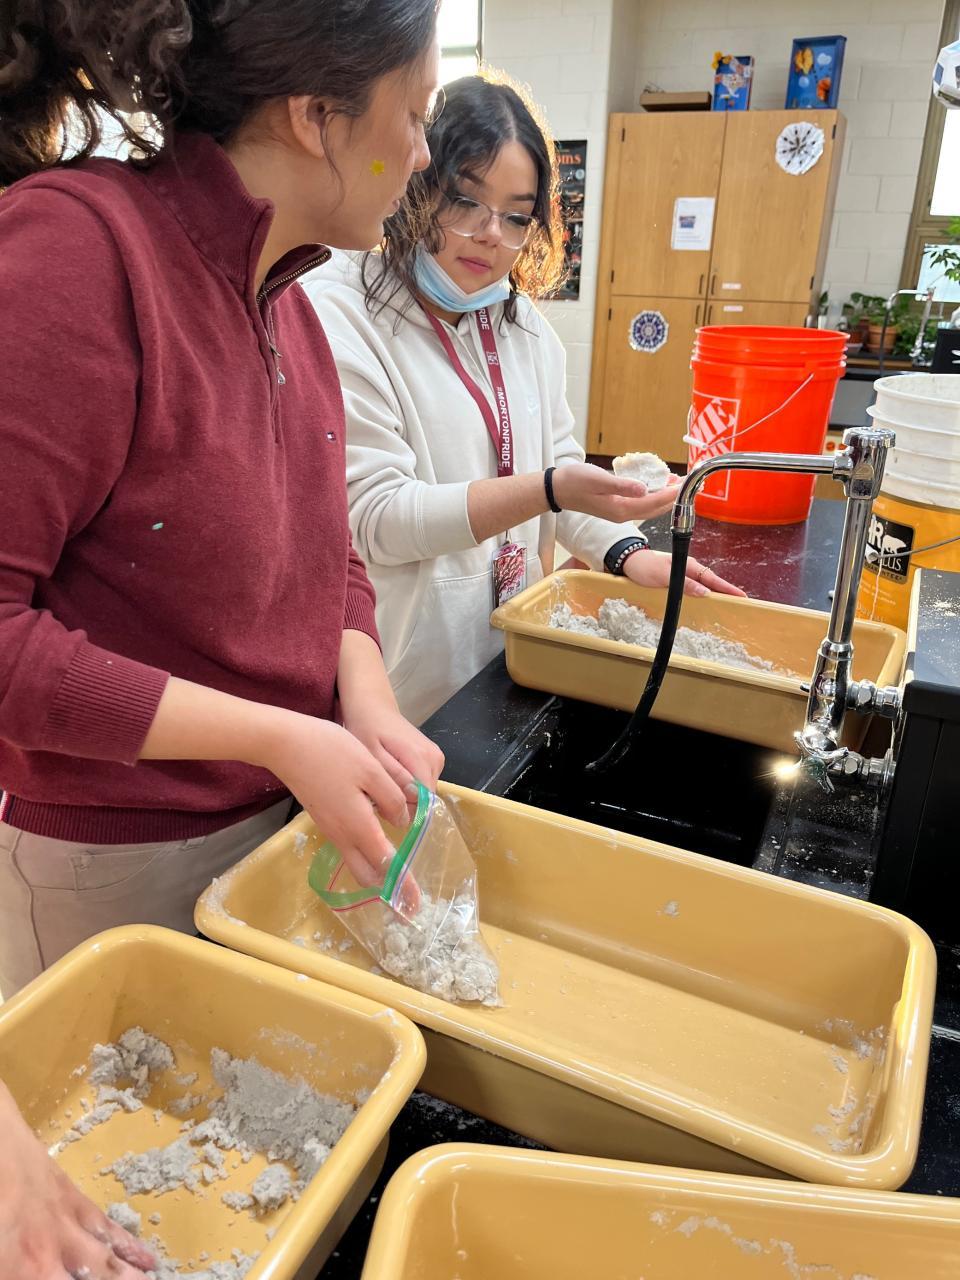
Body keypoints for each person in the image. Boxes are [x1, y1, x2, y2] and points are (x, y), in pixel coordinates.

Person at [0, 0, 445, 1008]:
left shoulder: (291, 308)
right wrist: (278, 734)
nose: (423, 154)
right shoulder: (80, 254)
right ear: (315, 117)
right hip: (115, 867)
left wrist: (366, 703)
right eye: (415, 115)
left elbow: (327, 556)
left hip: (271, 830)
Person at [305, 74, 744, 726]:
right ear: (416, 182)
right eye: (465, 202)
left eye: (515, 216)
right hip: (401, 684)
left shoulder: (522, 328)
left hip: (512, 658)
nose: (491, 235)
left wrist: (626, 551)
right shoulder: (340, 313)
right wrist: (546, 490)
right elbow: (376, 521)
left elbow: (559, 468)